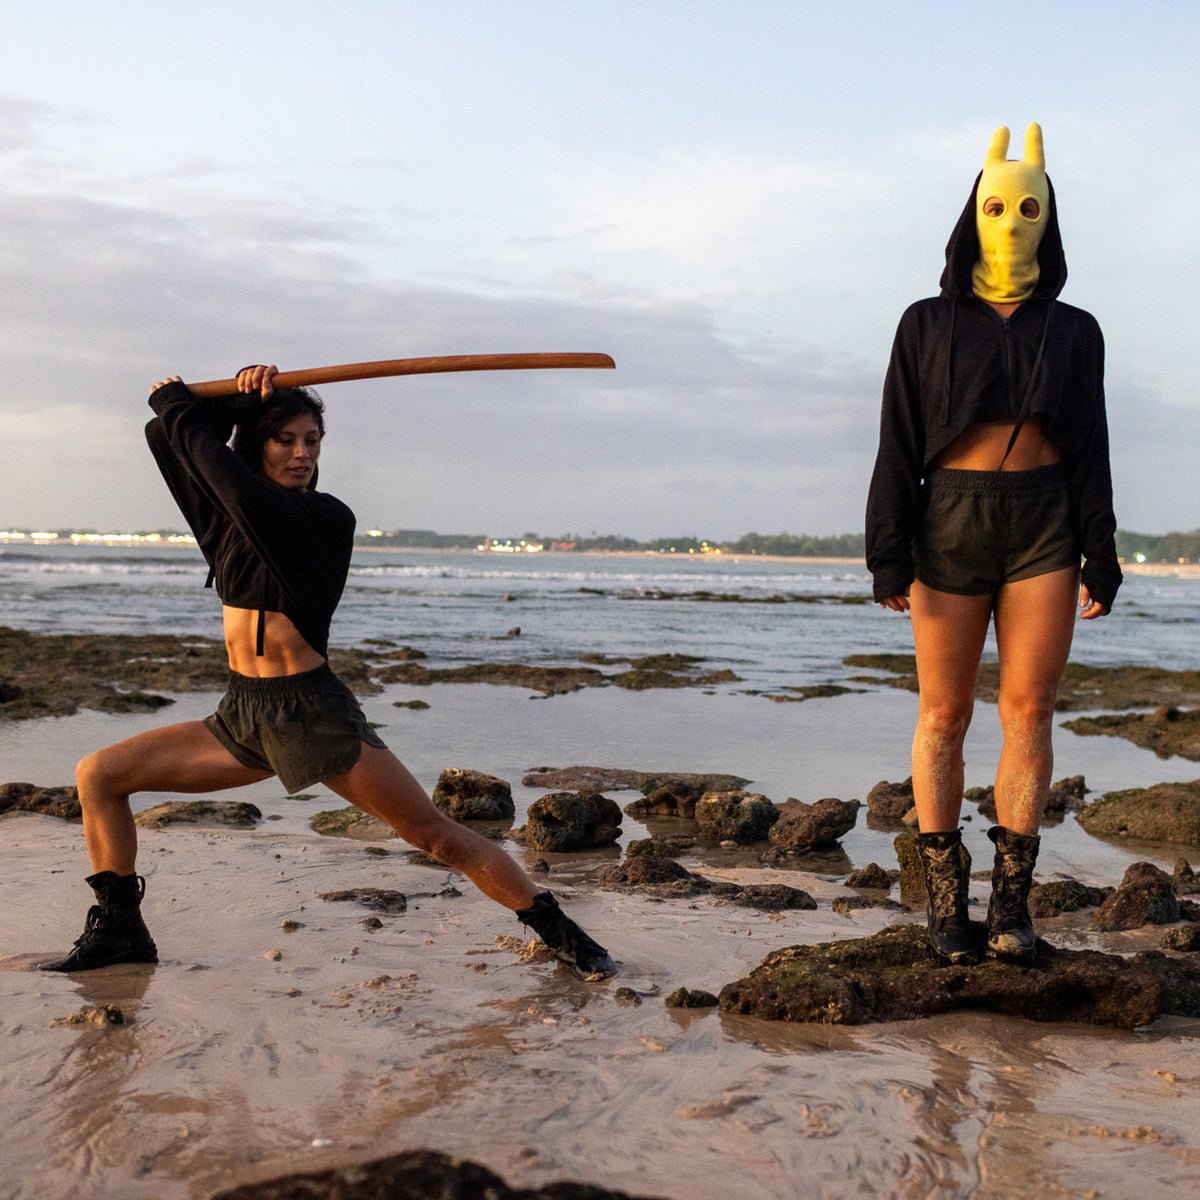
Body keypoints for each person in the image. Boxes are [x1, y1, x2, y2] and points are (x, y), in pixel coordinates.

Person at [40, 364, 615, 980]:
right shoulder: (227, 526)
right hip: (243, 714)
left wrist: (183, 407)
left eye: (312, 441)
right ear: (258, 443)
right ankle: (121, 929)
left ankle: (571, 940)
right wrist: (234, 400)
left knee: (435, 837)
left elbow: (212, 461)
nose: (302, 454)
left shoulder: (320, 519)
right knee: (98, 776)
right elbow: (170, 440)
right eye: (286, 439)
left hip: (309, 712)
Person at [865, 124, 1121, 965]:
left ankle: (1010, 913)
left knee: (1030, 711)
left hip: (1045, 523)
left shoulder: (1076, 330)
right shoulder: (926, 322)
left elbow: (1091, 444)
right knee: (942, 714)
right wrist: (887, 549)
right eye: (996, 206)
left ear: (1048, 219)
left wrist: (1101, 547)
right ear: (973, 214)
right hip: (951, 521)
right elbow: (899, 440)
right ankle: (946, 910)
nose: (1010, 220)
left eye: (1026, 208)